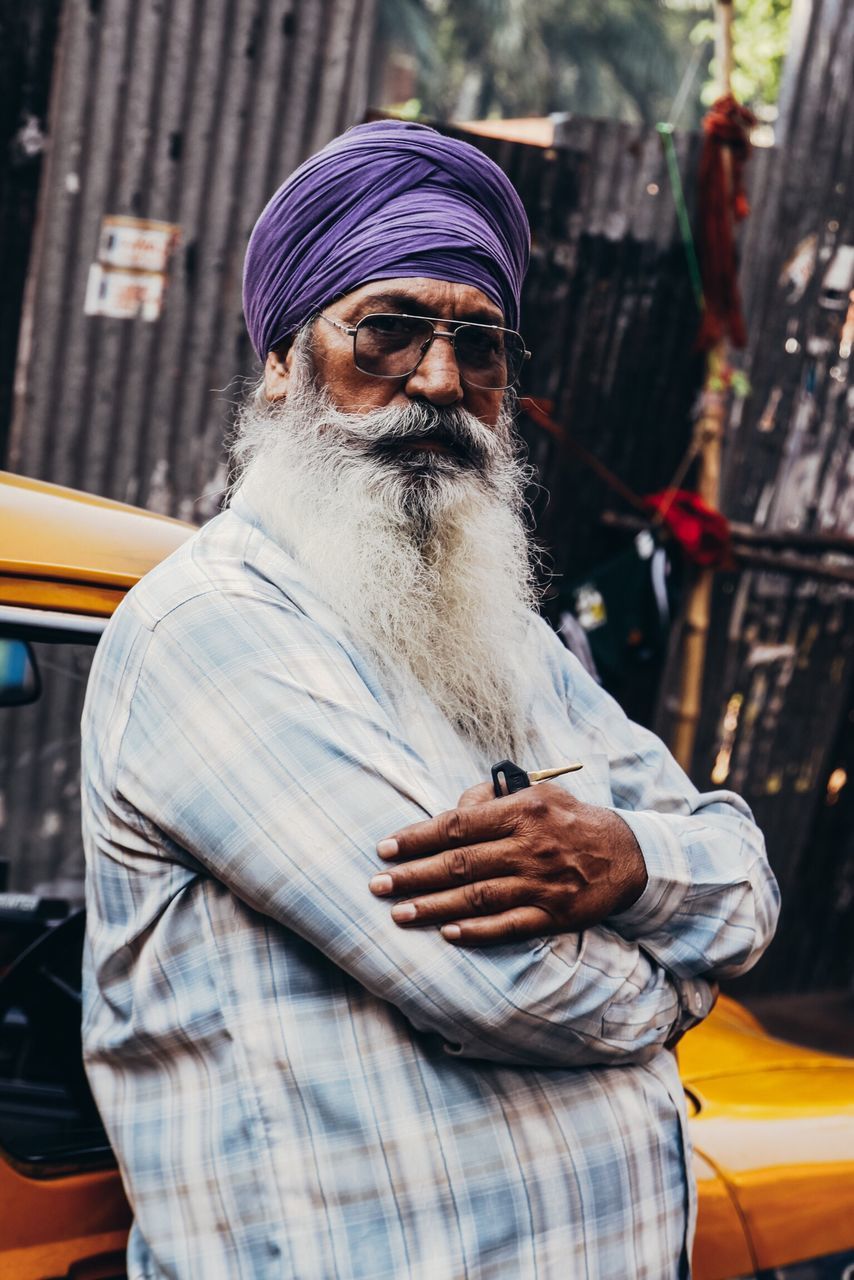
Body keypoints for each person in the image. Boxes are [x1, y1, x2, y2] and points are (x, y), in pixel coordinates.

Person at [81, 120, 779, 1280]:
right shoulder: (208, 629)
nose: (439, 381)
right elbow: (495, 982)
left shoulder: (506, 639)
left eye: (480, 346)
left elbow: (739, 867)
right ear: (280, 361)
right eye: (387, 331)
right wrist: (676, 985)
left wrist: (632, 863)